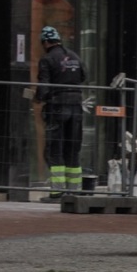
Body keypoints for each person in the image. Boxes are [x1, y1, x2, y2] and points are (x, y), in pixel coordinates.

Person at [35, 24, 87, 196]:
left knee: (54, 148)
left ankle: (57, 192)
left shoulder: (47, 59)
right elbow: (83, 76)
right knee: (73, 147)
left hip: (57, 107)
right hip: (77, 106)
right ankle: (75, 191)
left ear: (45, 42)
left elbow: (44, 86)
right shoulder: (74, 55)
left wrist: (38, 98)